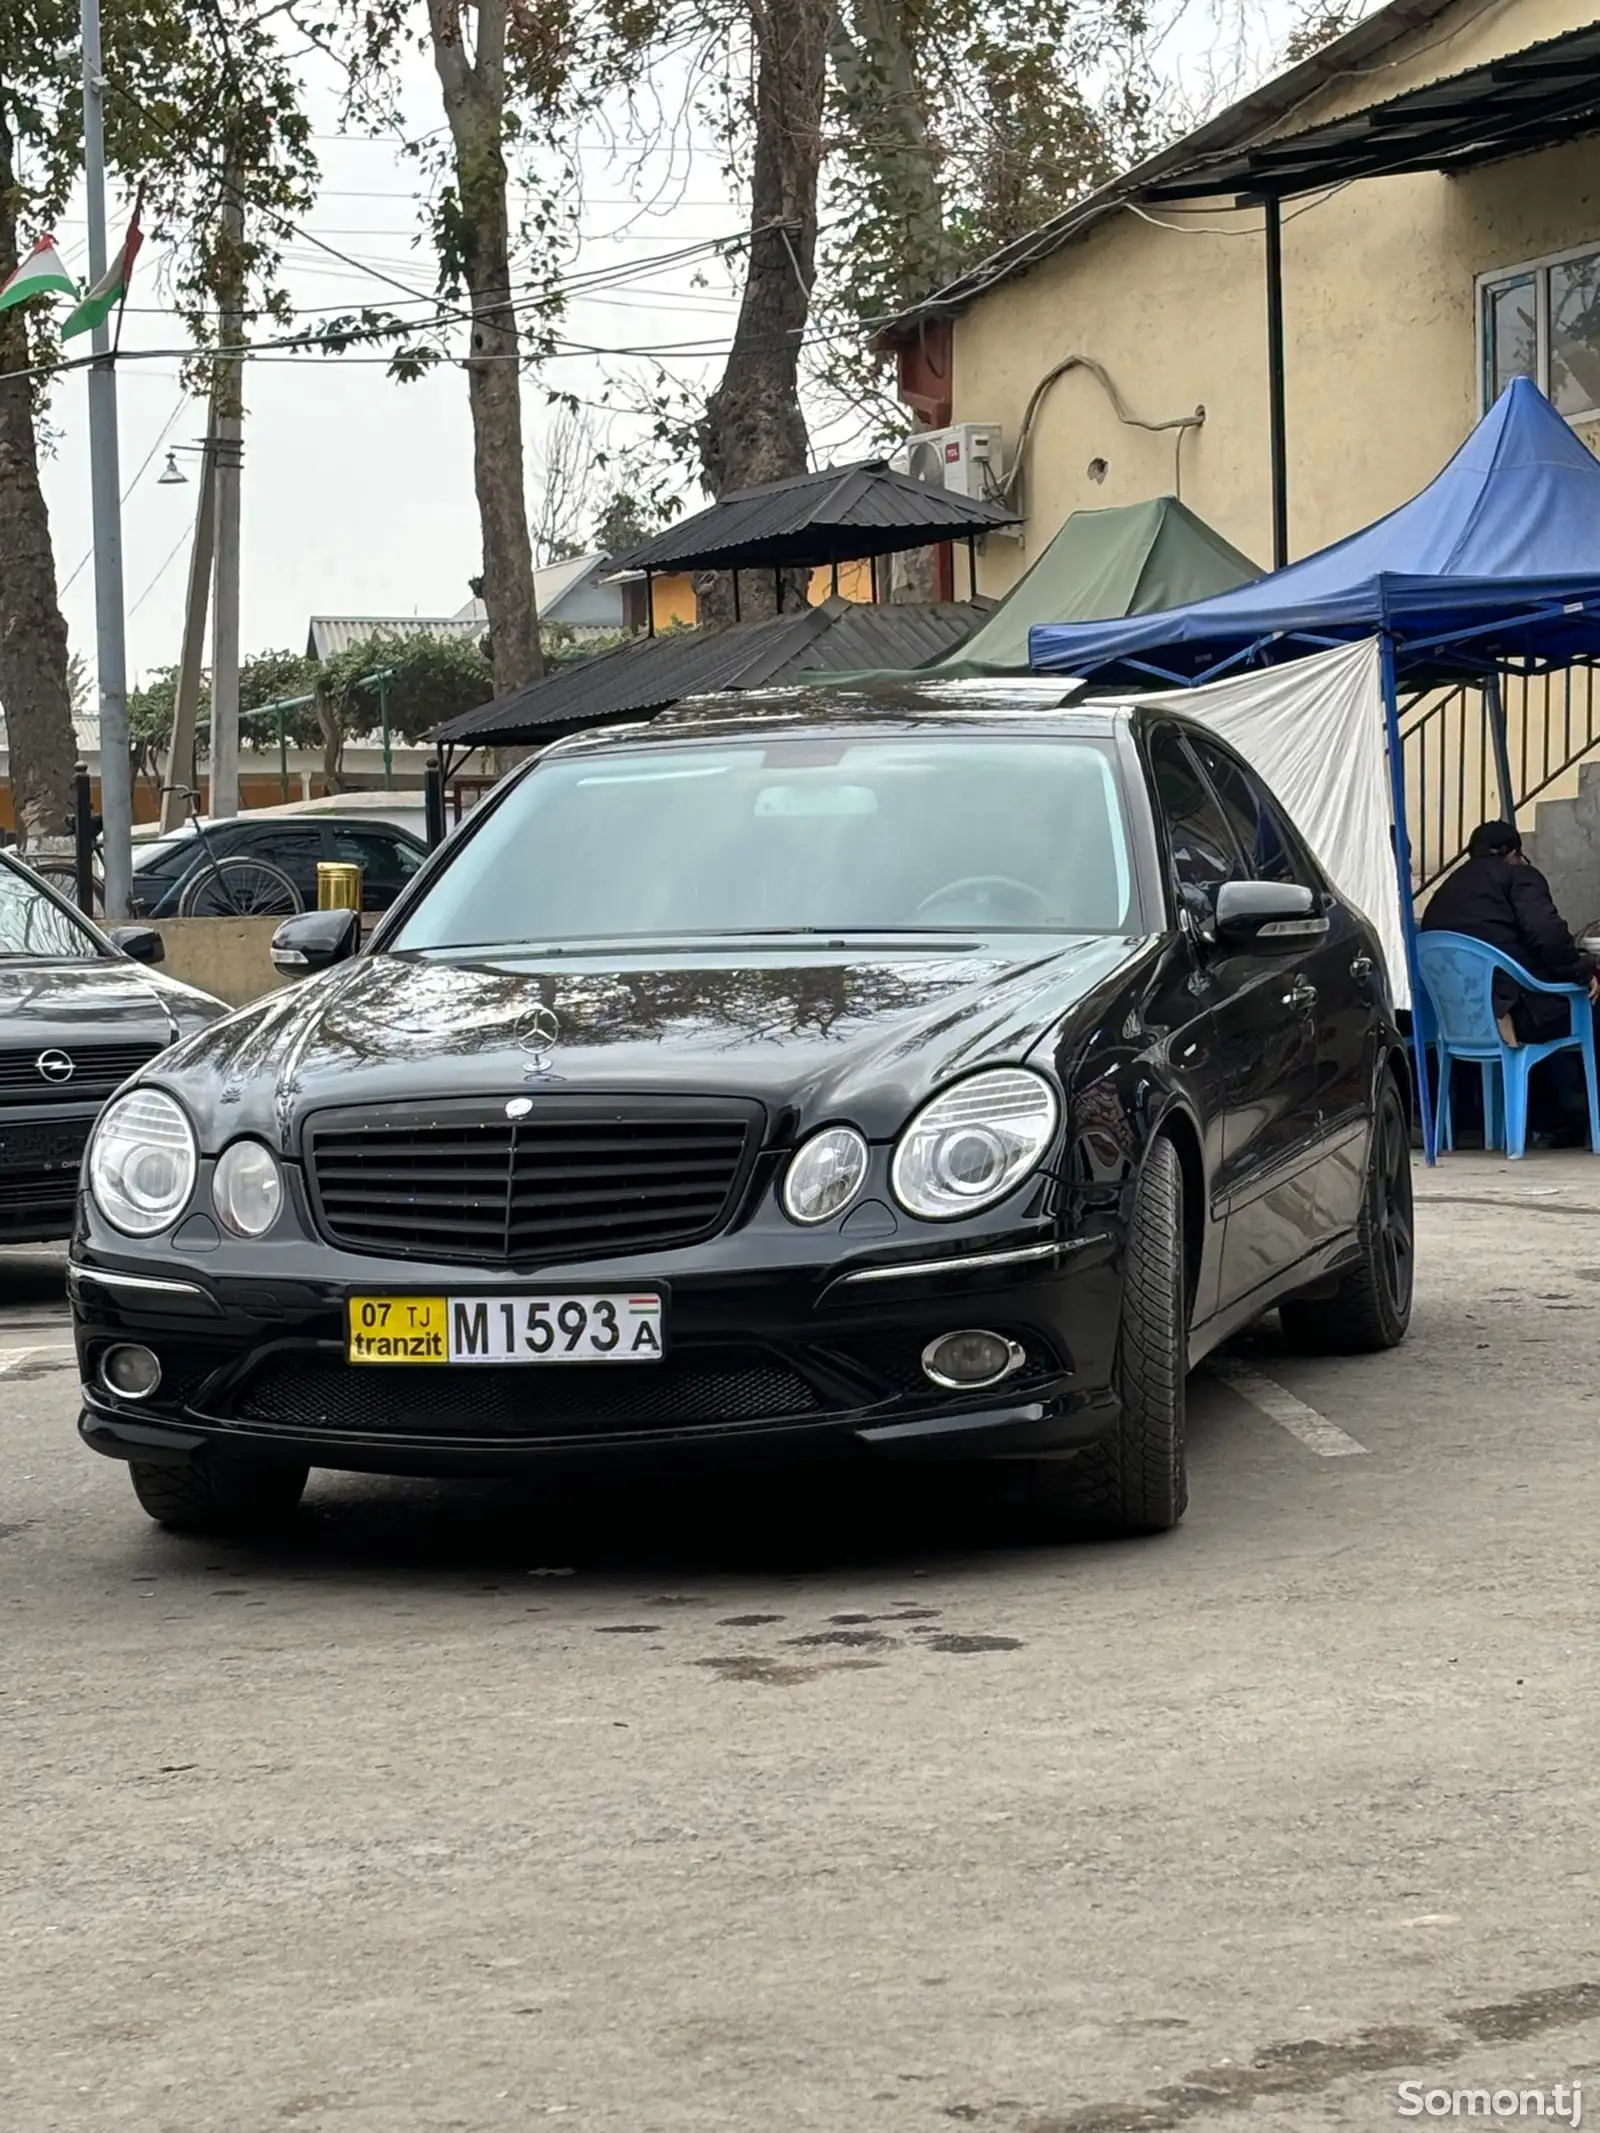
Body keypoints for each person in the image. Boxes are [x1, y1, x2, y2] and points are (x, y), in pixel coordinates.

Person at [1422, 818, 1600, 1139]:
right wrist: (1583, 969)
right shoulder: (1518, 876)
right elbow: (1547, 936)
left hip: (1460, 1021)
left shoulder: (1445, 892)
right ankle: (1577, 1116)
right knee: (1588, 1005)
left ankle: (1557, 1119)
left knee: (1554, 1004)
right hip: (1515, 1014)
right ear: (1513, 853)